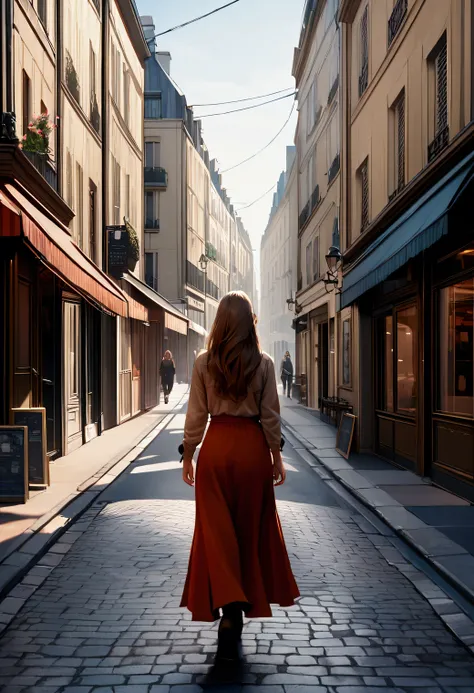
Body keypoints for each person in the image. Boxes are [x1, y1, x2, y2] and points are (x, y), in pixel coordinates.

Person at [180, 291, 299, 666]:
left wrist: (189, 452)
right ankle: (241, 604)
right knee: (249, 532)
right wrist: (276, 457)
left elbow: (196, 414)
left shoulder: (203, 364)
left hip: (216, 450)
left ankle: (229, 610)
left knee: (216, 533)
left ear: (219, 321)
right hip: (251, 452)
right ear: (250, 322)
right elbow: (270, 416)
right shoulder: (264, 365)